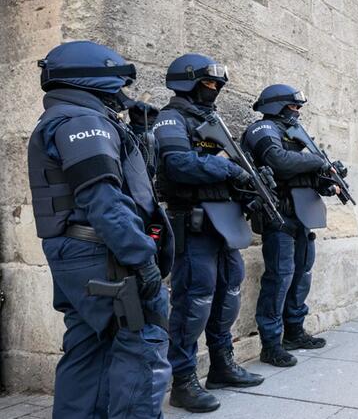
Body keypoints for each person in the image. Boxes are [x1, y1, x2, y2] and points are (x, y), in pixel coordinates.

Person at [27, 41, 172, 418]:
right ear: (93, 77)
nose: (121, 91)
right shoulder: (82, 121)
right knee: (142, 343)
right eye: (116, 81)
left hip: (78, 253)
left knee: (88, 347)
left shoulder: (65, 117)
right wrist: (142, 260)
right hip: (104, 254)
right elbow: (104, 200)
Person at [154, 53, 264, 412]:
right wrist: (227, 170)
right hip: (193, 220)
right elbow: (178, 164)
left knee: (229, 291)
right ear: (187, 81)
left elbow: (233, 163)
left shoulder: (211, 119)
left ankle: (222, 365)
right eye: (209, 83)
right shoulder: (170, 118)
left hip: (224, 221)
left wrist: (249, 187)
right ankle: (183, 382)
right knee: (193, 300)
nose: (214, 90)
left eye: (218, 84)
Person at [242, 84, 339, 368]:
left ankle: (294, 331)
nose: (297, 113)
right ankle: (271, 344)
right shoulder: (263, 130)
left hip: (303, 216)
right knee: (279, 278)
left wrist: (328, 180)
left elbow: (308, 173)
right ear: (277, 106)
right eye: (293, 107)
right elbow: (280, 163)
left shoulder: (296, 134)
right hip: (279, 215)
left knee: (301, 275)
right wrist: (316, 160)